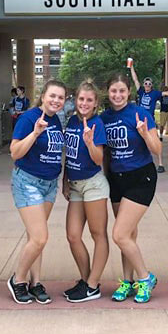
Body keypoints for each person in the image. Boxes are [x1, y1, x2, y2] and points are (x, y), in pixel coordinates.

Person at [101, 73, 161, 304]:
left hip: (141, 177)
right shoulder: (104, 118)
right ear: (108, 92)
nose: (117, 95)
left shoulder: (140, 114)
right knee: (129, 235)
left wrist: (145, 133)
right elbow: (106, 152)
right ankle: (128, 282)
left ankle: (145, 278)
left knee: (119, 234)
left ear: (128, 92)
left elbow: (156, 149)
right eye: (113, 91)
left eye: (122, 91)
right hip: (117, 179)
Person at [7, 80, 66, 305]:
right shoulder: (29, 118)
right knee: (40, 237)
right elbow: (15, 152)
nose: (56, 100)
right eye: (52, 96)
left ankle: (36, 282)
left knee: (36, 238)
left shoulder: (56, 121)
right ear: (43, 96)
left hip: (49, 185)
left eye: (60, 97)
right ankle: (18, 280)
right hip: (28, 182)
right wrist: (34, 134)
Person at [62, 81, 109, 303]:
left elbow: (98, 159)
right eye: (81, 99)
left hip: (93, 184)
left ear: (95, 103)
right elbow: (68, 153)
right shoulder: (72, 120)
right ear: (76, 99)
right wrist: (65, 179)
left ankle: (92, 285)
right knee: (73, 236)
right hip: (75, 185)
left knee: (98, 234)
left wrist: (90, 142)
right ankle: (86, 280)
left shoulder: (97, 123)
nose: (84, 103)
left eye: (89, 100)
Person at [129, 62, 168, 173]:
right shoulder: (141, 92)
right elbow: (135, 80)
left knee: (155, 141)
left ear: (151, 86)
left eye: (149, 84)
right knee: (136, 141)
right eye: (145, 83)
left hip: (149, 120)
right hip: (139, 121)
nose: (147, 85)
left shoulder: (155, 93)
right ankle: (137, 164)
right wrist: (131, 67)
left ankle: (160, 164)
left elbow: (166, 94)